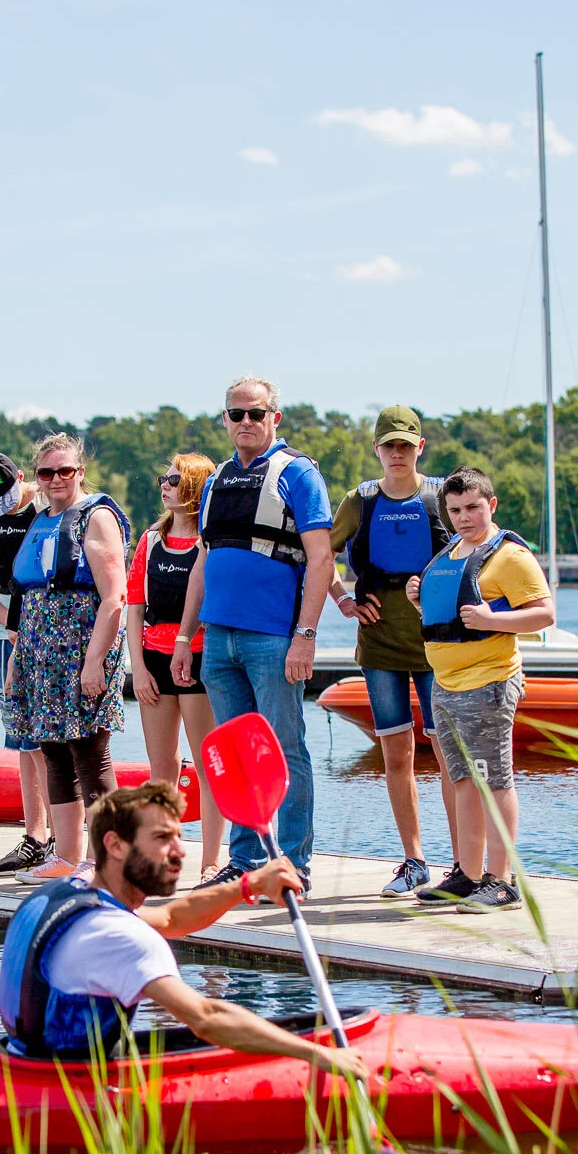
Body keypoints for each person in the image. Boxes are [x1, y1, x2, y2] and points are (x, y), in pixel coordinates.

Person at [0, 781, 369, 1078]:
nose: (180, 851)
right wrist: (317, 1054)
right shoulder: (121, 937)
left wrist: (248, 885)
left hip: (23, 1061)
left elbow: (173, 919)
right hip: (69, 1086)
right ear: (116, 845)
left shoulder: (63, 895)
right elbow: (207, 1019)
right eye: (161, 839)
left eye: (178, 836)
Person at [170, 375, 335, 887]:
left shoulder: (298, 474)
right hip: (219, 639)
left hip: (274, 638)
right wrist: (183, 637)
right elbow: (203, 562)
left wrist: (305, 636)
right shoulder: (218, 479)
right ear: (225, 419)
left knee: (285, 749)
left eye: (255, 414)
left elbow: (321, 557)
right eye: (236, 414)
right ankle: (242, 862)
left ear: (274, 418)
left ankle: (293, 864)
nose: (245, 422)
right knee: (237, 755)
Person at [405, 468, 555, 912]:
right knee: (463, 780)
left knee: (494, 779)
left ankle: (502, 880)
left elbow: (545, 613)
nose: (464, 517)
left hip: (488, 680)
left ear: (491, 505)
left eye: (472, 507)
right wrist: (418, 598)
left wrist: (495, 621)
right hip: (446, 683)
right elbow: (446, 610)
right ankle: (469, 875)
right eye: (454, 510)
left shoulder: (509, 556)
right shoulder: (451, 551)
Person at [328, 404, 459, 897]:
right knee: (396, 752)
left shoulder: (443, 496)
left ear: (419, 447)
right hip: (379, 646)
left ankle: (463, 864)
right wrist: (342, 600)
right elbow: (321, 554)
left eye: (406, 445)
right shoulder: (359, 500)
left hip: (437, 648)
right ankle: (414, 860)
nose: (398, 453)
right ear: (377, 450)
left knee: (450, 754)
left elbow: (479, 551)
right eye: (390, 446)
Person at [1, 434, 131, 885]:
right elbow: (27, 598)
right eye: (46, 472)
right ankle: (67, 856)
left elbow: (114, 597)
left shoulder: (95, 518)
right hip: (39, 646)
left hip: (81, 643)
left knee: (90, 753)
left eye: (65, 471)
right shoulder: (41, 519)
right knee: (53, 752)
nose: (56, 480)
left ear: (80, 471)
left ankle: (104, 859)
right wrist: (18, 656)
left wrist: (95, 661)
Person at [125, 453, 226, 881]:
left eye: (173, 479)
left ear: (195, 487)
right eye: (163, 479)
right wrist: (138, 669)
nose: (164, 486)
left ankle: (210, 861)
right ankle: (163, 854)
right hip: (154, 658)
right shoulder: (149, 541)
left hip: (200, 658)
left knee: (207, 764)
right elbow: (133, 606)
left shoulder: (211, 540)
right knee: (161, 765)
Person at [0, 450, 54, 876]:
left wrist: (36, 625)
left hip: (53, 635)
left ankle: (63, 836)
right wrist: (13, 623)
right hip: (8, 637)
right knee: (21, 738)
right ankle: (34, 836)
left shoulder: (47, 504)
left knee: (51, 736)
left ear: (21, 478)